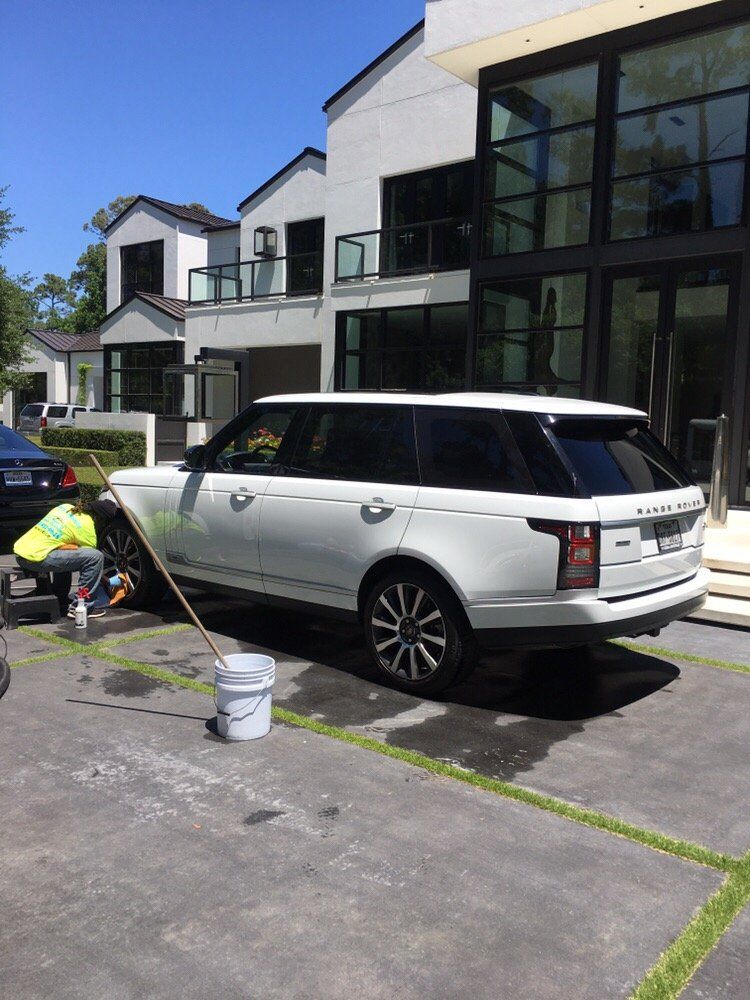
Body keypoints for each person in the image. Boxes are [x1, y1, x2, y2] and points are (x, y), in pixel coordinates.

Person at [13, 499, 119, 620]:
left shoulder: (65, 507)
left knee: (70, 551)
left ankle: (60, 596)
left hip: (22, 551)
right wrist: (106, 580)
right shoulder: (86, 528)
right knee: (95, 557)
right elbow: (90, 566)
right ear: (100, 519)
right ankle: (81, 607)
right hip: (35, 558)